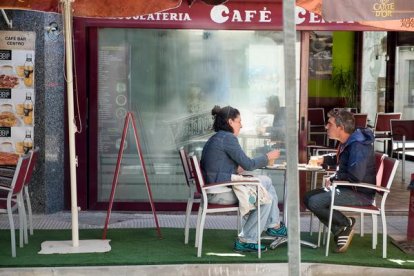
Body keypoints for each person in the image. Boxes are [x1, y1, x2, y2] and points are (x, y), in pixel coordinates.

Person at [200, 105, 287, 253]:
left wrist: (237, 169)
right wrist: (268, 157)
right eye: (239, 121)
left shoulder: (218, 137)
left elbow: (222, 166)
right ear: (230, 122)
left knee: (264, 186)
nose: (242, 125)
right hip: (220, 192)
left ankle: (272, 226)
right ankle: (256, 235)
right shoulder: (228, 138)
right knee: (264, 195)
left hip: (215, 189)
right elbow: (248, 164)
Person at [303, 109, 376, 253]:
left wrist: (334, 178)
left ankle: (344, 224)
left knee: (315, 202)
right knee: (307, 197)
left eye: (329, 124)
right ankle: (341, 229)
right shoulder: (349, 141)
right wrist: (324, 159)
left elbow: (355, 175)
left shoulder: (358, 145)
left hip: (360, 193)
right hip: (348, 188)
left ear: (340, 128)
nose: (326, 127)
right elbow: (342, 160)